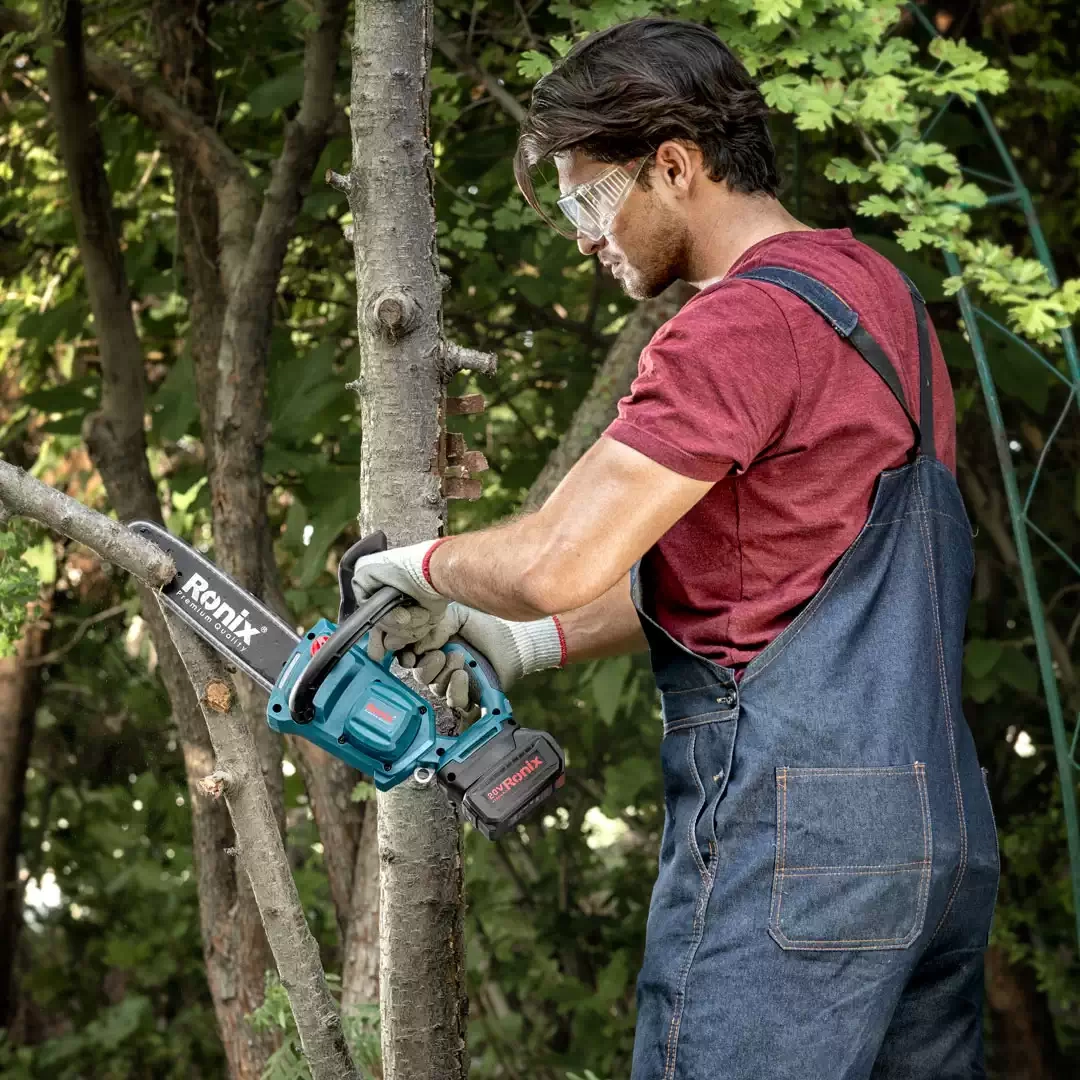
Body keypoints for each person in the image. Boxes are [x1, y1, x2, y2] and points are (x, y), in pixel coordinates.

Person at [349, 17, 999, 1080]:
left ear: (676, 166)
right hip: (935, 830)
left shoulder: (735, 329)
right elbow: (786, 576)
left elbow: (559, 556)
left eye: (587, 196)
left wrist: (412, 569)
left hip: (799, 844)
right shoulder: (878, 300)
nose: (581, 233)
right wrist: (529, 646)